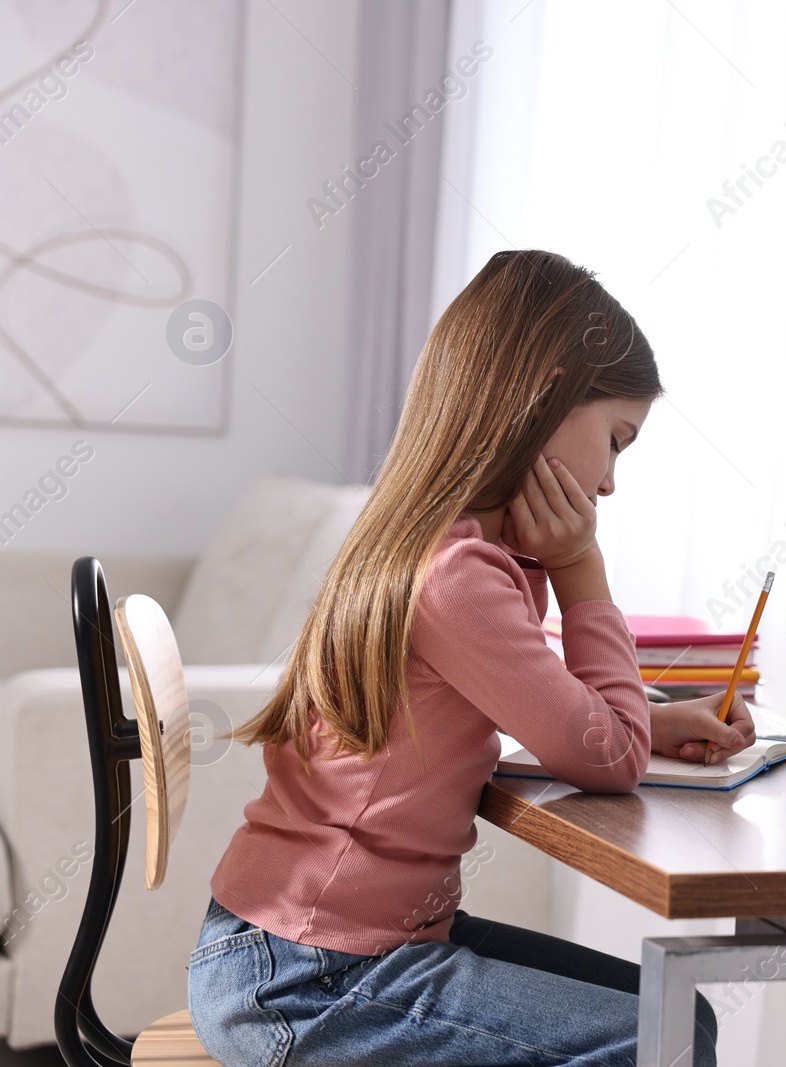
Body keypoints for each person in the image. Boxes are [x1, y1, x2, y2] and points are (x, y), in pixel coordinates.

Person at [187, 250, 752, 1066]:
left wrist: (653, 721)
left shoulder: (442, 545)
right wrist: (581, 570)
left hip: (298, 950)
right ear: (545, 396)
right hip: (307, 980)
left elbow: (574, 721)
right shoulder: (456, 577)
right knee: (658, 1036)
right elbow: (609, 758)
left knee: (675, 1017)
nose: (610, 485)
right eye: (617, 442)